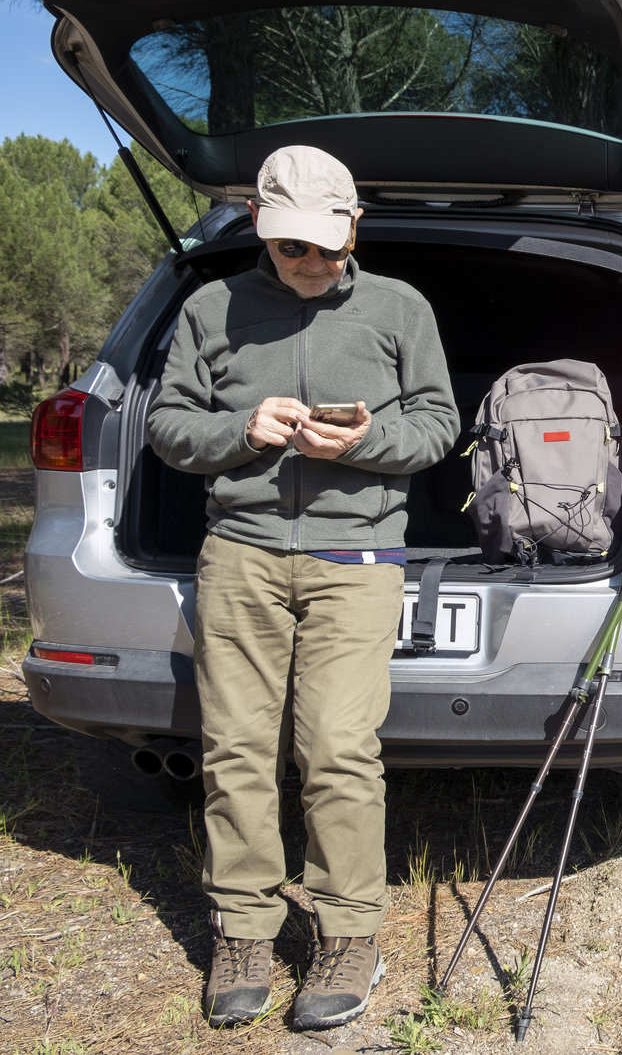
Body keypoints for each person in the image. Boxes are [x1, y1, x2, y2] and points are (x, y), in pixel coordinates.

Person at [147, 145, 460, 1030]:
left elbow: (438, 422)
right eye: (292, 249)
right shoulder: (212, 309)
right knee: (237, 746)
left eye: (326, 246)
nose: (313, 264)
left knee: (335, 746)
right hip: (240, 551)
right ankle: (244, 929)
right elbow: (169, 425)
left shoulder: (400, 308)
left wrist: (357, 443)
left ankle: (349, 930)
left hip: (356, 560)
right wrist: (242, 430)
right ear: (260, 227)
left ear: (354, 225)